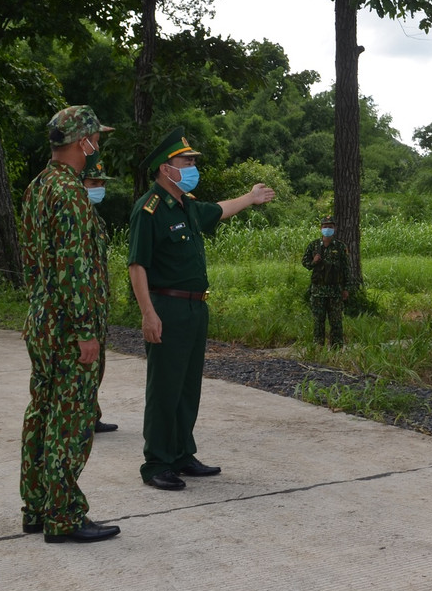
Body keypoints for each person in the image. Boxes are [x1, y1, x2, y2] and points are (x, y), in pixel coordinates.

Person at [128, 128, 276, 491]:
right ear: (166, 168)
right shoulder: (149, 209)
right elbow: (137, 265)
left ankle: (181, 454)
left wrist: (251, 197)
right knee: (164, 387)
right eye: (186, 161)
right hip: (167, 307)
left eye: (193, 161)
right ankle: (156, 462)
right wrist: (148, 313)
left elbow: (220, 210)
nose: (192, 167)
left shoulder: (187, 205)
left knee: (187, 386)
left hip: (195, 308)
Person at [18, 105, 121, 544]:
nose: (97, 146)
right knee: (70, 421)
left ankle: (37, 507)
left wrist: (42, 309)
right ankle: (63, 516)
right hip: (68, 326)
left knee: (42, 413)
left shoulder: (38, 187)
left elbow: (31, 260)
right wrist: (85, 330)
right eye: (95, 139)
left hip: (43, 319)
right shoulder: (71, 193)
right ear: (83, 142)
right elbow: (74, 266)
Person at [80, 154, 117, 434]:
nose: (99, 188)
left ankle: (91, 414)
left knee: (98, 364)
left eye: (102, 183)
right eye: (93, 183)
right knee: (82, 365)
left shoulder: (96, 219)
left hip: (98, 305)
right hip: (81, 305)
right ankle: (78, 418)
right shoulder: (74, 217)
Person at [302, 215, 357, 346]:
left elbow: (346, 269)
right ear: (321, 228)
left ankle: (336, 348)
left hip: (335, 291)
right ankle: (318, 347)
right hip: (318, 291)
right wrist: (314, 261)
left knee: (336, 321)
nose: (327, 229)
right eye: (325, 226)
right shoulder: (314, 246)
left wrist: (346, 288)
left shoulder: (340, 247)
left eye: (330, 226)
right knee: (318, 321)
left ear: (334, 228)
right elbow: (305, 263)